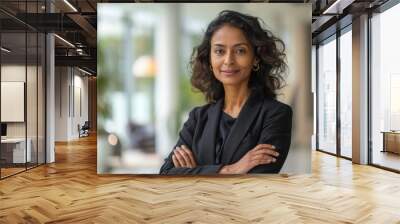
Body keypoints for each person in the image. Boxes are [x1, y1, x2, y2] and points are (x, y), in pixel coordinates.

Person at [159, 10, 292, 175]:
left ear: (256, 58)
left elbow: (257, 180)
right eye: (219, 51)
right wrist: (230, 170)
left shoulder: (276, 114)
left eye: (240, 51)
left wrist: (193, 173)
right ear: (210, 59)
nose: (228, 60)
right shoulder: (198, 117)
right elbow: (166, 173)